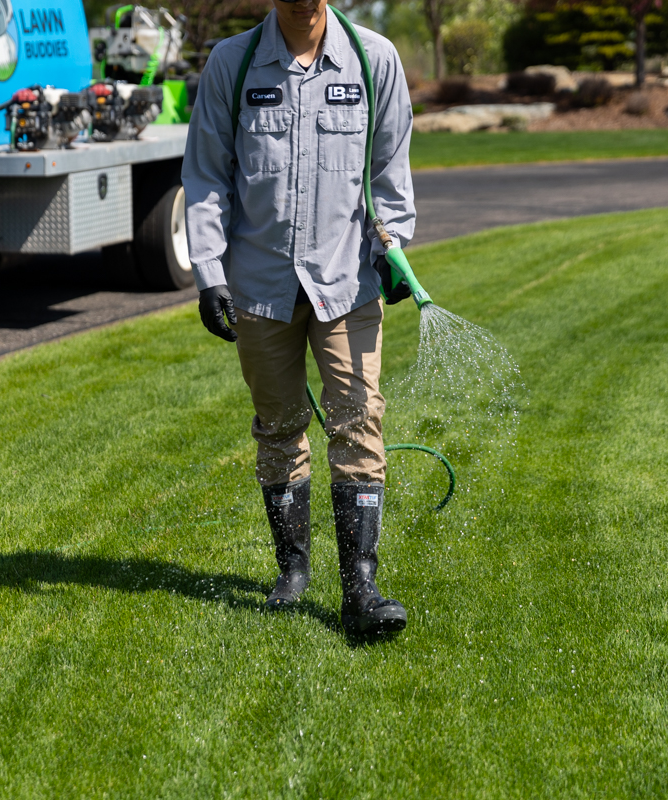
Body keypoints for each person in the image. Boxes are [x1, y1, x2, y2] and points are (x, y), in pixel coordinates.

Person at [181, 0, 416, 634]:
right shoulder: (232, 65)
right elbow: (206, 178)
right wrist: (209, 273)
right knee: (280, 425)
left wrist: (392, 244)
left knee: (358, 425)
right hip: (260, 288)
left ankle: (361, 589)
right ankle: (292, 571)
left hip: (348, 284)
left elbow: (390, 174)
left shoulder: (374, 60)